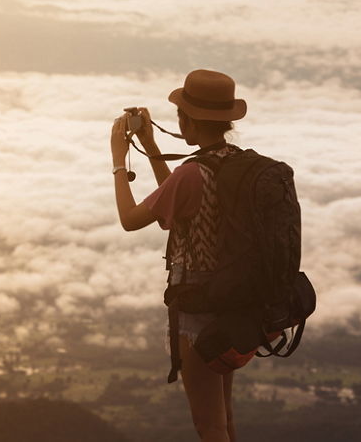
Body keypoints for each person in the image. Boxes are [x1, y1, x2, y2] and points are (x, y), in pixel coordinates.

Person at [110, 69, 247, 442]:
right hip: (235, 305)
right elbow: (177, 207)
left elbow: (130, 219)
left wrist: (119, 159)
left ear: (188, 119)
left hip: (199, 312)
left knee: (210, 426)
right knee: (225, 418)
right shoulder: (235, 163)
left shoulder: (192, 173)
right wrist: (151, 148)